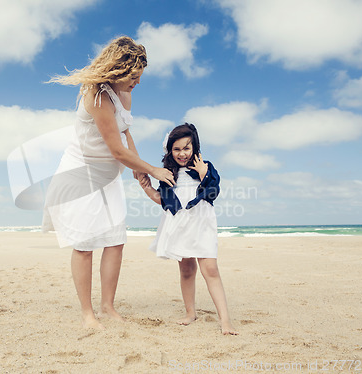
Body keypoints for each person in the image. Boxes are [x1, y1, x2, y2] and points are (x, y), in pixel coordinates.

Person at [42, 36, 175, 330]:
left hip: (109, 175)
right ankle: (88, 314)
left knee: (115, 241)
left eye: (140, 78)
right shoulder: (98, 96)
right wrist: (153, 169)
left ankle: (107, 306)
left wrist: (142, 177)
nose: (138, 83)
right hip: (83, 174)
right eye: (134, 78)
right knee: (85, 245)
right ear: (118, 71)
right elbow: (116, 150)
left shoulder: (124, 94)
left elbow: (126, 137)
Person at [139, 123, 238, 335]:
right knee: (186, 269)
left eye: (186, 148)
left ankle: (225, 321)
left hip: (201, 222)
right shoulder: (168, 173)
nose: (182, 153)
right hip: (179, 224)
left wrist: (204, 175)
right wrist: (146, 187)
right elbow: (163, 200)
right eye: (177, 149)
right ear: (170, 151)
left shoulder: (205, 167)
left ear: (194, 147)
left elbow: (212, 193)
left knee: (210, 269)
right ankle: (190, 312)